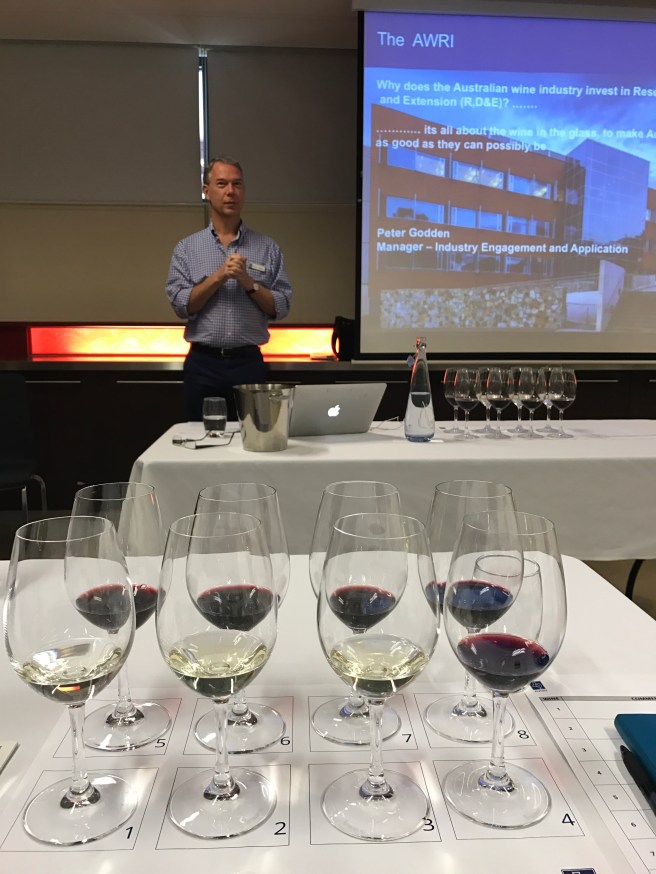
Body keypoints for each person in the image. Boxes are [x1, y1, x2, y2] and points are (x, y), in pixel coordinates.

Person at [166, 156, 292, 421]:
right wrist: (219, 276)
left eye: (237, 184)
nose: (230, 191)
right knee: (199, 437)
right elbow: (182, 305)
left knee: (251, 437)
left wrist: (248, 282)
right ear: (206, 190)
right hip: (203, 364)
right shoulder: (187, 248)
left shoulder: (267, 248)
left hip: (248, 363)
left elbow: (280, 307)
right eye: (222, 184)